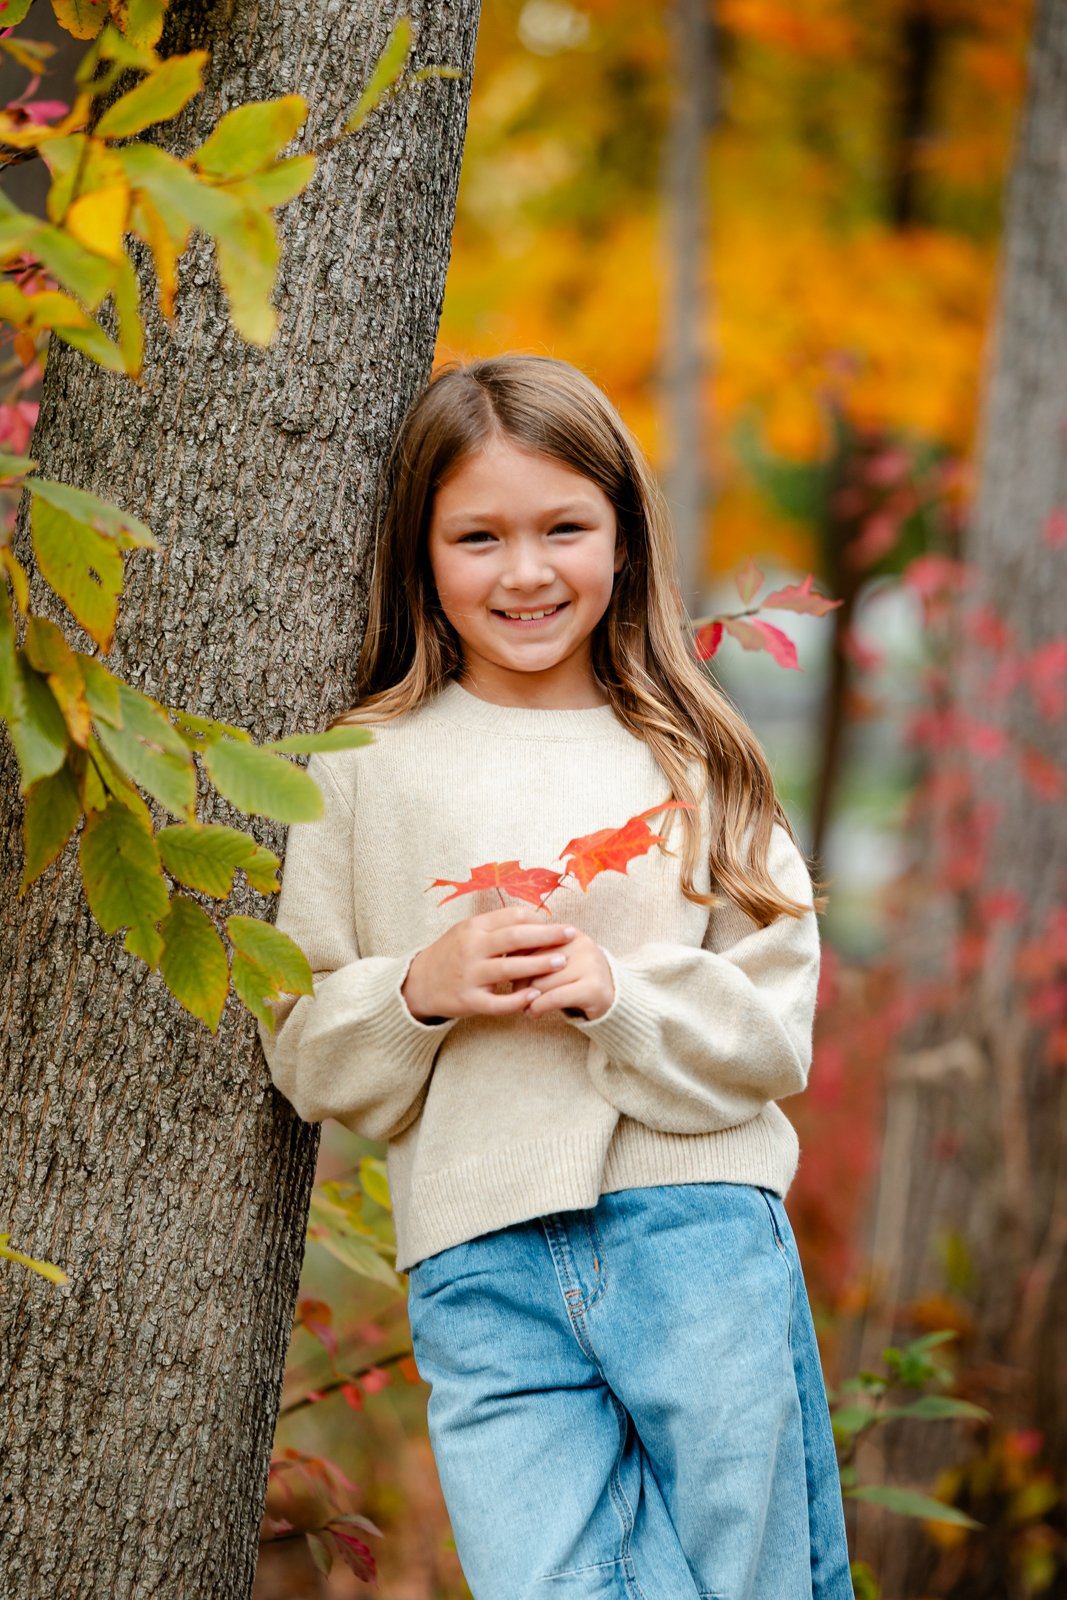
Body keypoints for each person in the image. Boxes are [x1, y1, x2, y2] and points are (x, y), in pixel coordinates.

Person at [259, 354, 854, 1600]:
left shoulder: (693, 755)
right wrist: (418, 988)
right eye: (478, 535)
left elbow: (774, 1024)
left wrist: (615, 991)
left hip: (692, 1232)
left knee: (758, 1576)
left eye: (562, 528)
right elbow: (304, 1044)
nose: (524, 572)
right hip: (477, 1255)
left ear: (624, 540)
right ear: (420, 554)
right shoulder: (360, 766)